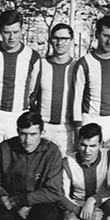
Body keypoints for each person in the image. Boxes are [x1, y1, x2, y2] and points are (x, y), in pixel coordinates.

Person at [0, 111, 63, 220]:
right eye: (23, 134)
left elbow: (54, 191)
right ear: (17, 131)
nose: (27, 140)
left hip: (36, 206)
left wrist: (24, 200)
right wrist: (7, 198)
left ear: (42, 132)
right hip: (10, 205)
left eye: (33, 134)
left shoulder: (52, 152)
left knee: (50, 214)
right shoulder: (4, 149)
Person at [0, 10, 40, 151]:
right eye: (7, 32)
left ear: (22, 30)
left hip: (18, 114)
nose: (12, 37)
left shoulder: (32, 56)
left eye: (16, 32)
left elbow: (33, 90)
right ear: (0, 31)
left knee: (15, 158)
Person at [72, 15, 110, 153]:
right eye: (105, 36)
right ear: (96, 34)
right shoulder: (84, 63)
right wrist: (78, 133)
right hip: (90, 121)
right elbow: (76, 101)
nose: (109, 41)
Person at [32, 23, 76, 156]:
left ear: (72, 41)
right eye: (56, 38)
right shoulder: (41, 64)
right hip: (45, 127)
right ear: (50, 40)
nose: (60, 42)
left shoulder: (77, 66)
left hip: (67, 129)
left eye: (64, 39)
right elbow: (31, 95)